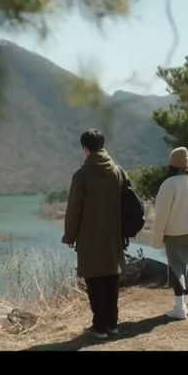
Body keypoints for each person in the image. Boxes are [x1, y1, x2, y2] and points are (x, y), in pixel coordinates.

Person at [62, 129, 127, 339]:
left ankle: (99, 326)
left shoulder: (82, 175)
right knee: (111, 279)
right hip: (114, 236)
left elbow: (74, 209)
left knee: (94, 280)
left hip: (89, 237)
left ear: (85, 148)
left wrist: (69, 236)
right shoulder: (118, 171)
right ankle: (112, 324)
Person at [151, 146, 188, 320]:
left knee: (176, 268)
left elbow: (161, 214)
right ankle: (184, 304)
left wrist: (157, 239)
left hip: (175, 232)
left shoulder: (169, 184)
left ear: (171, 164)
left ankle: (179, 307)